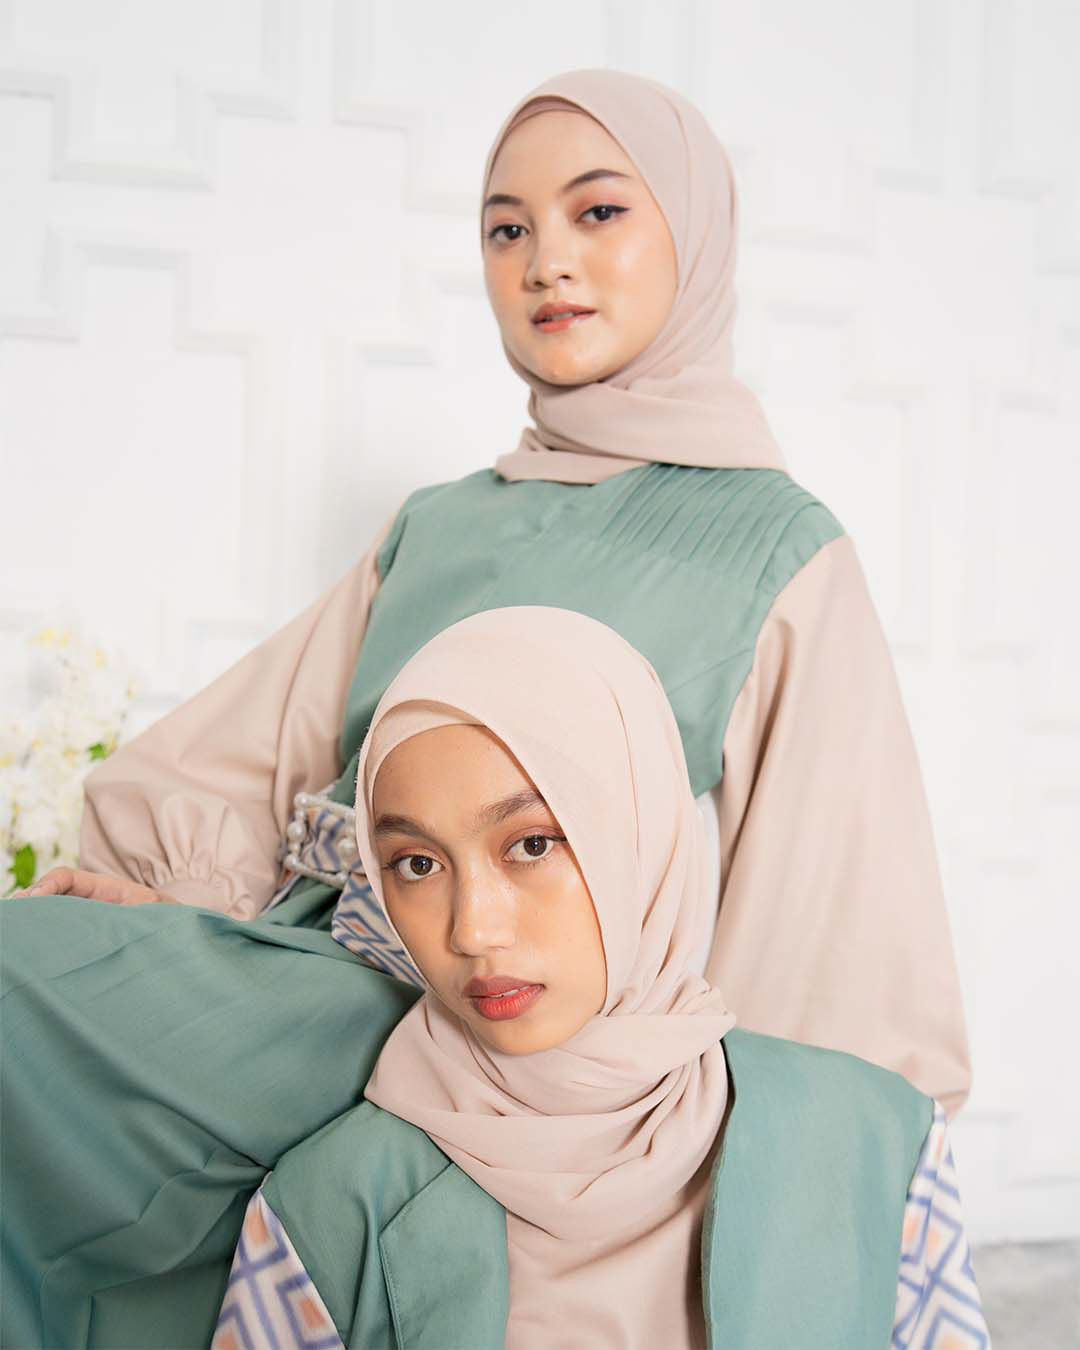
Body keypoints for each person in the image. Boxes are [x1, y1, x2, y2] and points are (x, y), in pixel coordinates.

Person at [28, 67, 971, 1115]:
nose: (546, 263)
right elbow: (241, 754)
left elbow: (832, 923)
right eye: (507, 230)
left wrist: (734, 1143)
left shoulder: (777, 548)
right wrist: (167, 909)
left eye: (598, 212)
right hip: (284, 973)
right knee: (35, 959)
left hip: (486, 1050)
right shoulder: (439, 523)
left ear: (697, 234)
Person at [212, 607, 988, 1350]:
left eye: (532, 844)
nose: (472, 930)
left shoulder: (882, 1143)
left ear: (641, 835)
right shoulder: (329, 1209)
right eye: (417, 864)